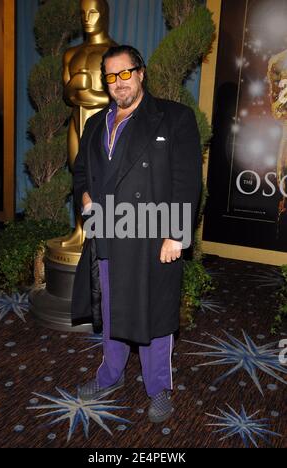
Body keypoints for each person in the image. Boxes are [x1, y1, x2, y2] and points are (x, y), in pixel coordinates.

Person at [71, 45, 202, 423]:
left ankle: (158, 388)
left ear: (141, 73)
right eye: (111, 76)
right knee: (110, 308)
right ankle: (109, 375)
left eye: (125, 73)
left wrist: (176, 234)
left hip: (152, 233)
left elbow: (187, 180)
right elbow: (81, 171)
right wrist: (84, 195)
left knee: (155, 315)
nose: (118, 83)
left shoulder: (173, 118)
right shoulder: (96, 122)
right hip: (109, 230)